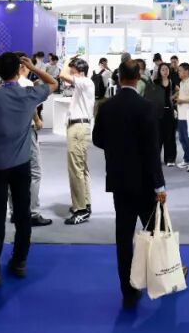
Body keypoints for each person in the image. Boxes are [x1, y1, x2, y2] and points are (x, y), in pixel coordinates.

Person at [0, 53, 57, 287]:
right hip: (21, 165)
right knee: (22, 214)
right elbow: (53, 83)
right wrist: (32, 68)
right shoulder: (29, 94)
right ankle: (19, 261)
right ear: (19, 70)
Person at [93, 59, 167, 309]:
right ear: (139, 77)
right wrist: (159, 185)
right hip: (145, 182)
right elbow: (152, 150)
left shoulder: (106, 106)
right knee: (156, 232)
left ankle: (128, 290)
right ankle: (162, 277)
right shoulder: (146, 107)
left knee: (123, 238)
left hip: (119, 180)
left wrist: (117, 148)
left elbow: (97, 139)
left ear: (118, 77)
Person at [15, 51, 52, 226]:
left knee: (13, 170)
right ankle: (32, 212)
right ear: (24, 65)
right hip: (26, 131)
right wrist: (37, 120)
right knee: (35, 171)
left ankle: (15, 210)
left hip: (11, 132)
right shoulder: (26, 83)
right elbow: (32, 107)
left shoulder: (2, 85)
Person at [60, 57, 95, 224]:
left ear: (80, 72)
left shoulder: (85, 81)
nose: (70, 73)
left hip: (78, 128)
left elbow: (62, 75)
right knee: (81, 168)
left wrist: (67, 60)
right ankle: (85, 203)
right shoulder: (83, 84)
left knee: (76, 169)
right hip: (78, 127)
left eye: (73, 70)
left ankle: (80, 209)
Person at [153, 62, 178, 166]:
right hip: (158, 112)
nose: (165, 71)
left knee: (170, 135)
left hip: (169, 111)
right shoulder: (155, 82)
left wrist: (172, 98)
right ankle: (155, 159)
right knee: (157, 136)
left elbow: (179, 91)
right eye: (163, 69)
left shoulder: (171, 82)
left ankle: (170, 159)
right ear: (159, 71)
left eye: (167, 69)